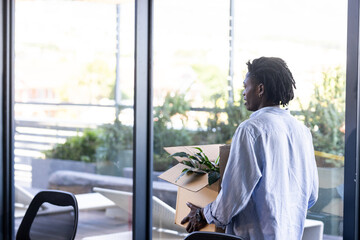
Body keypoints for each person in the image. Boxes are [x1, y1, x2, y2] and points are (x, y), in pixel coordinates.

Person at [181, 57, 319, 239]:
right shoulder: (302, 131)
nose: (244, 93)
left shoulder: (251, 129)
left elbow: (234, 193)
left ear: (260, 89)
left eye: (246, 86)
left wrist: (202, 215)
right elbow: (311, 195)